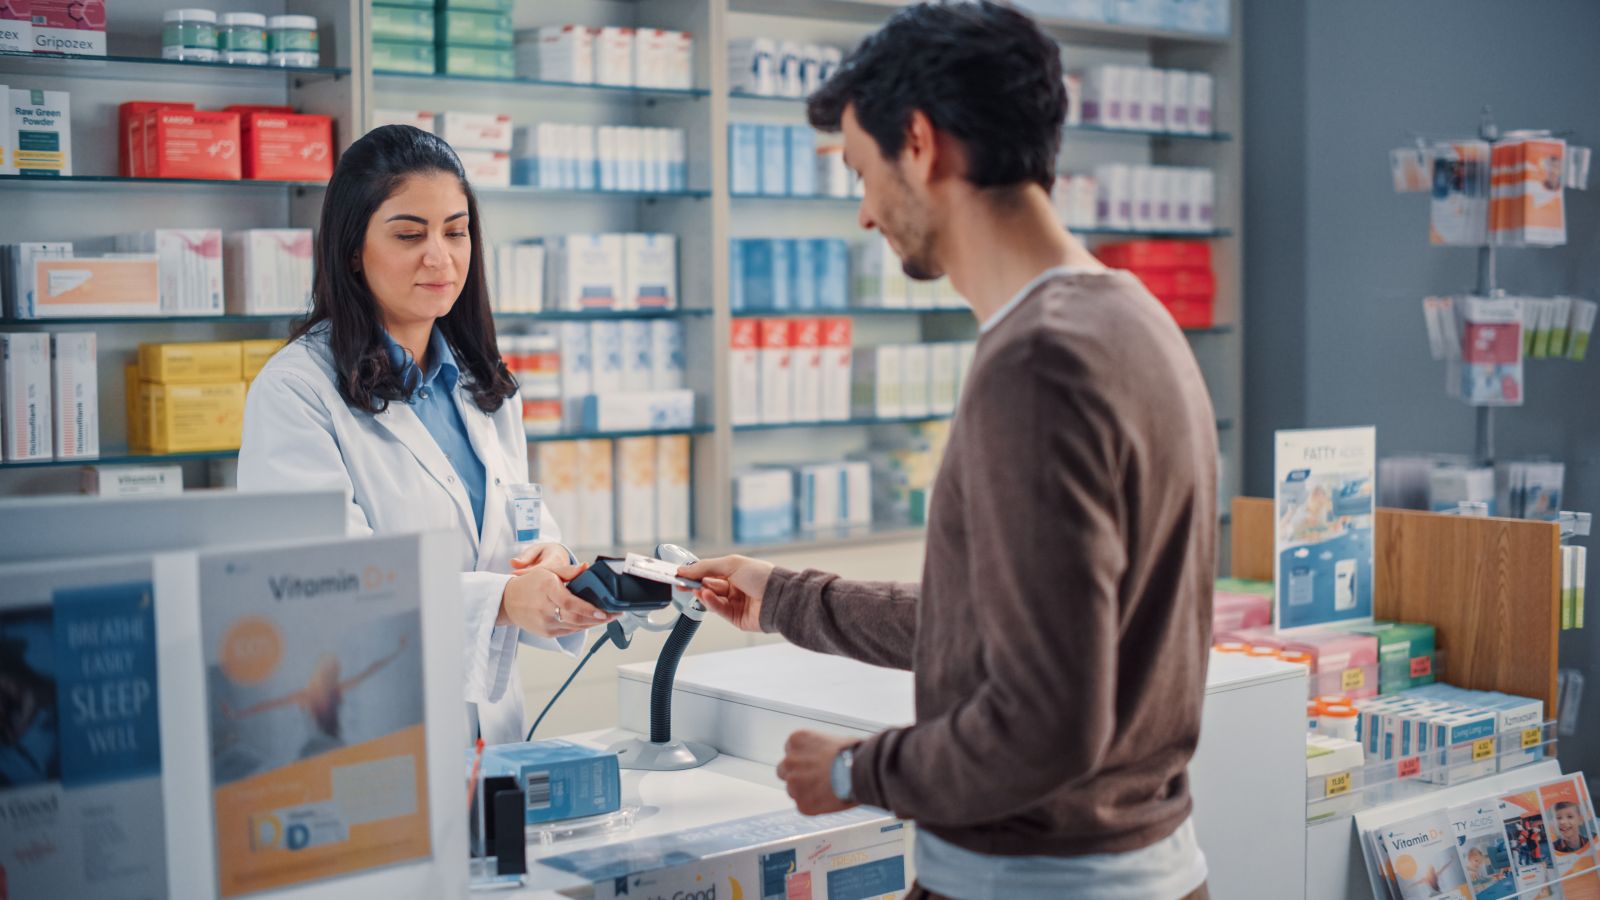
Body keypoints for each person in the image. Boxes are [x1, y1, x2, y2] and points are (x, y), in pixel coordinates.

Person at [679, 4, 1216, 898]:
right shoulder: (1129, 317)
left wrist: (858, 771)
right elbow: (1007, 624)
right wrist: (786, 597)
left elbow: (1047, 718)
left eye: (862, 171)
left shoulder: (1036, 364)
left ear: (919, 144)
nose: (863, 215)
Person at [238, 125, 616, 746]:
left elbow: (517, 527)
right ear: (353, 248)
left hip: (489, 732)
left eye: (456, 231)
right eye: (410, 234)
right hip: (362, 728)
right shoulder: (295, 392)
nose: (440, 257)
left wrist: (552, 563)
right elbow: (324, 582)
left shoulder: (482, 386)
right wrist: (502, 601)